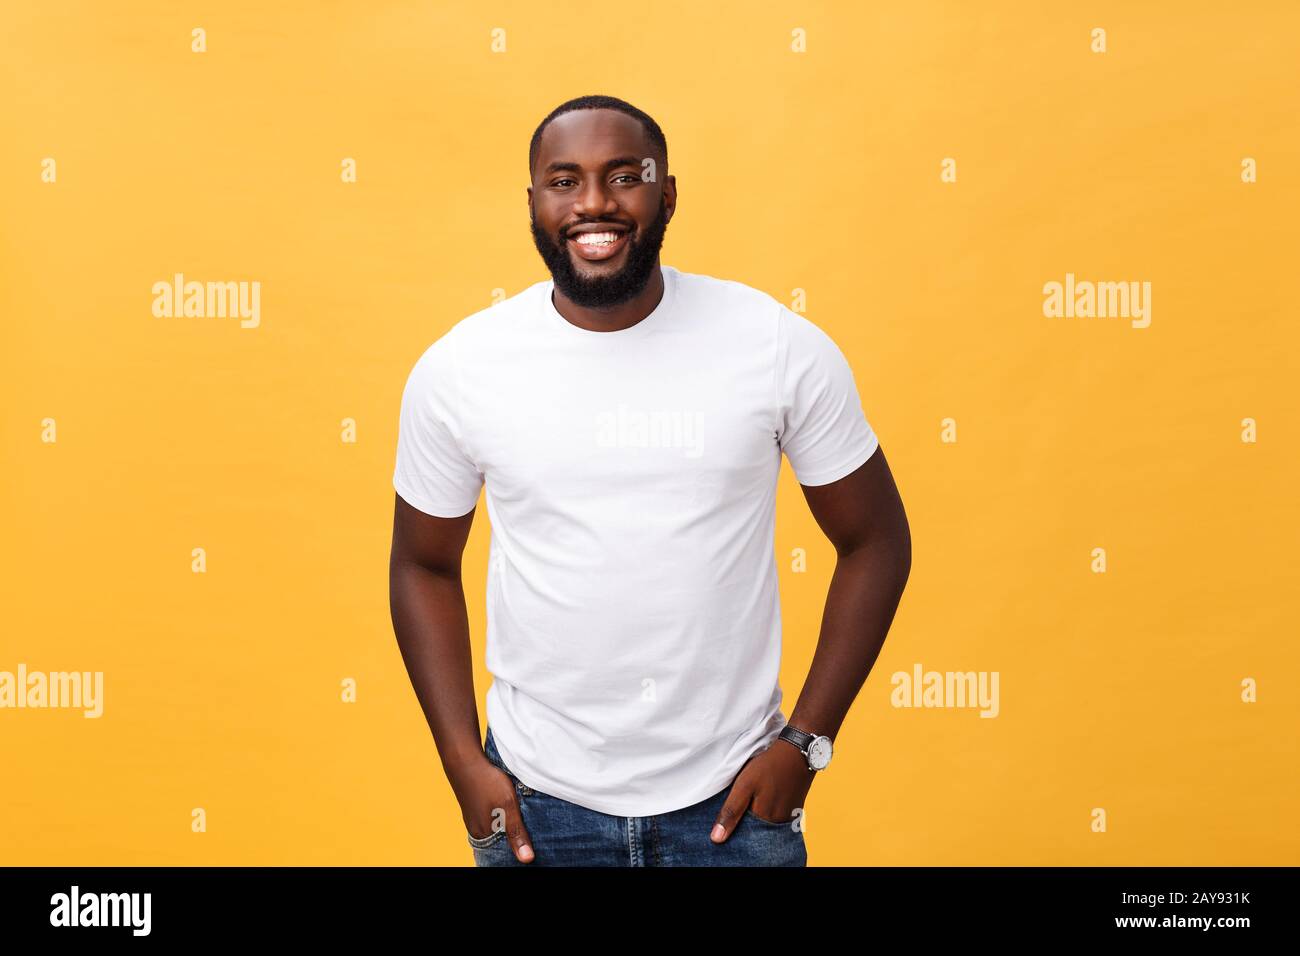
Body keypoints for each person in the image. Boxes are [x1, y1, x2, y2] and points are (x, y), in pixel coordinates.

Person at [389, 94, 911, 866]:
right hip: (539, 806)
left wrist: (806, 744)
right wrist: (463, 763)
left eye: (623, 176)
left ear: (667, 195)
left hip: (734, 810)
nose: (594, 203)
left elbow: (876, 541)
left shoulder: (774, 347)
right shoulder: (463, 369)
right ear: (533, 203)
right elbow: (421, 564)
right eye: (564, 181)